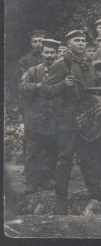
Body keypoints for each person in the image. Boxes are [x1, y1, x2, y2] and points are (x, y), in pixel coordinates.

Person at [44, 30, 101, 214]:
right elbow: (47, 91)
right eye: (77, 40)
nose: (81, 43)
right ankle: (60, 200)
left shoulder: (88, 64)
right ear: (69, 43)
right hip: (67, 120)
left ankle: (95, 192)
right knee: (65, 159)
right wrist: (63, 85)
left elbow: (93, 90)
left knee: (88, 157)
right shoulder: (61, 64)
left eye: (83, 41)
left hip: (87, 119)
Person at [19, 38, 60, 194]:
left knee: (51, 149)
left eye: (52, 53)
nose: (49, 55)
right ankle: (31, 181)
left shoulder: (62, 71)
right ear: (42, 53)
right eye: (47, 52)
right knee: (33, 150)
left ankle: (46, 179)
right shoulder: (33, 71)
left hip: (54, 117)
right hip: (36, 116)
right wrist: (38, 85)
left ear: (56, 54)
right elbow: (22, 87)